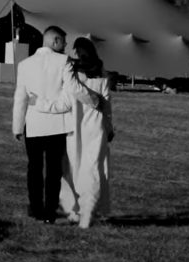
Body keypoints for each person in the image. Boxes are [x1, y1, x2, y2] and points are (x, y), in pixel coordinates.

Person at [12, 26, 98, 224]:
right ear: (55, 41)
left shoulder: (24, 64)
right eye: (64, 41)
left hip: (33, 124)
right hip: (56, 125)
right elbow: (74, 89)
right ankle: (49, 212)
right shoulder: (63, 61)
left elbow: (20, 97)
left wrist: (17, 126)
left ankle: (35, 209)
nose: (66, 45)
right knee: (53, 170)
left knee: (34, 168)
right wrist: (95, 101)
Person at [30, 37, 114, 229]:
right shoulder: (101, 74)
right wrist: (109, 128)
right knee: (92, 170)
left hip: (73, 128)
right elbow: (107, 105)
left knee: (69, 170)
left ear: (77, 53)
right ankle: (87, 212)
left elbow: (63, 104)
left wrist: (38, 103)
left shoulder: (72, 76)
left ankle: (77, 211)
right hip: (96, 127)